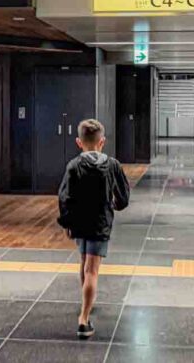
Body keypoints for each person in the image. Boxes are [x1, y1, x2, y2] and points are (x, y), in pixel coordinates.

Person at [57, 118, 131, 339]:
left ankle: (86, 300)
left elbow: (64, 197)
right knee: (92, 270)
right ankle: (84, 319)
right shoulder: (112, 165)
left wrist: (67, 223)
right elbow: (123, 197)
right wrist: (114, 205)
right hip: (100, 222)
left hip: (80, 221)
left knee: (83, 262)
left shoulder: (73, 165)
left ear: (79, 142)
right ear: (103, 141)